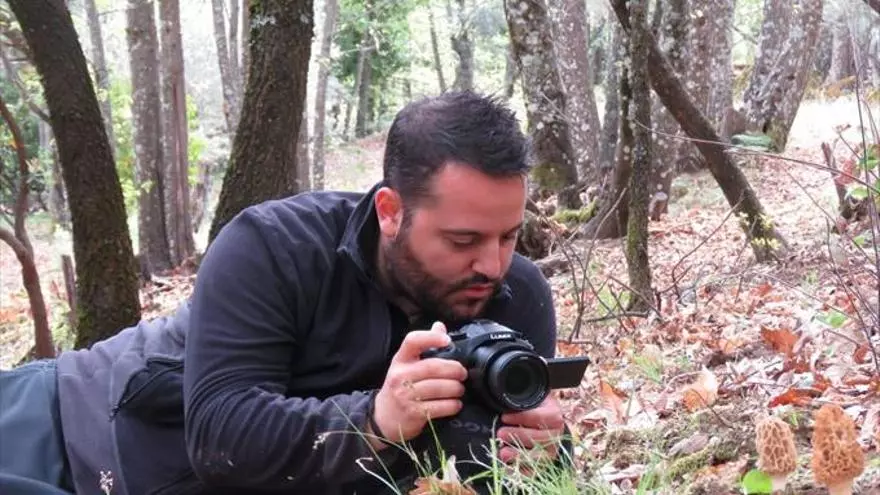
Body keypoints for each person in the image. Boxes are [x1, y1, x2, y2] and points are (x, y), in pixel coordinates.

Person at [0, 90, 571, 494]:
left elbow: (486, 463)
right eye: (463, 240)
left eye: (509, 236)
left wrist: (546, 450)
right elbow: (220, 433)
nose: (492, 265)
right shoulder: (274, 246)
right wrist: (373, 420)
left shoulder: (516, 296)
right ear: (391, 212)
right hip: (65, 429)